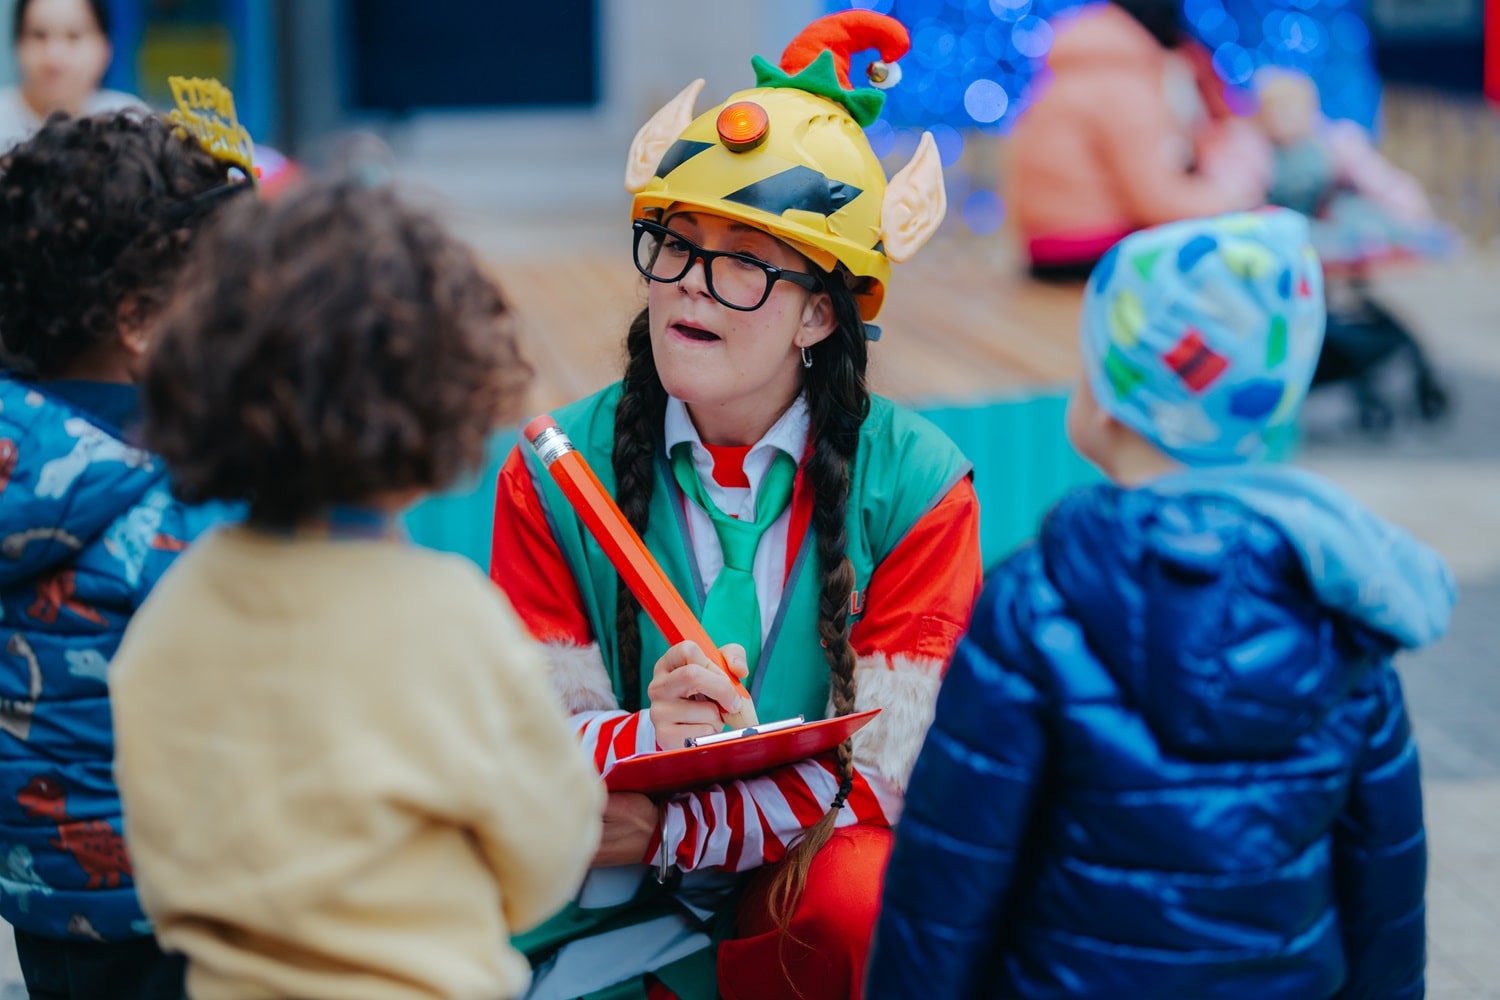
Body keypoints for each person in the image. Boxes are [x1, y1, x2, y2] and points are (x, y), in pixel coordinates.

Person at [487, 10, 984, 999]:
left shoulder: (921, 484)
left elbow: (899, 771)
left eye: (744, 259)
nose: (689, 287)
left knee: (866, 899)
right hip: (602, 891)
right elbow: (525, 733)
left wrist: (679, 825)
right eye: (674, 243)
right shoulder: (550, 468)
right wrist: (640, 737)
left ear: (819, 312)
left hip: (806, 884)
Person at [868, 209, 1453, 999]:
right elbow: (1384, 890)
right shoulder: (1342, 613)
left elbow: (949, 880)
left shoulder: (1035, 605)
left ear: (1112, 400)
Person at [109, 175, 604, 1000]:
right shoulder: (450, 617)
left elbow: (160, 871)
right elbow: (548, 858)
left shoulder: (174, 610)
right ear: (439, 396)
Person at [0, 108, 241, 1000]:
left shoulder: (24, 441)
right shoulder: (170, 514)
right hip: (178, 911)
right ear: (140, 324)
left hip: (40, 902)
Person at [1006, 0, 1270, 280]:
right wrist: (1232, 201)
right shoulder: (1123, 82)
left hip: (1042, 245)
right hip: (1090, 246)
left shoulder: (1070, 70)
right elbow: (1156, 202)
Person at [0, 0, 145, 152]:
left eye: (74, 36)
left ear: (105, 47)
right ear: (18, 44)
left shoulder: (131, 123)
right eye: (39, 36)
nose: (54, 58)